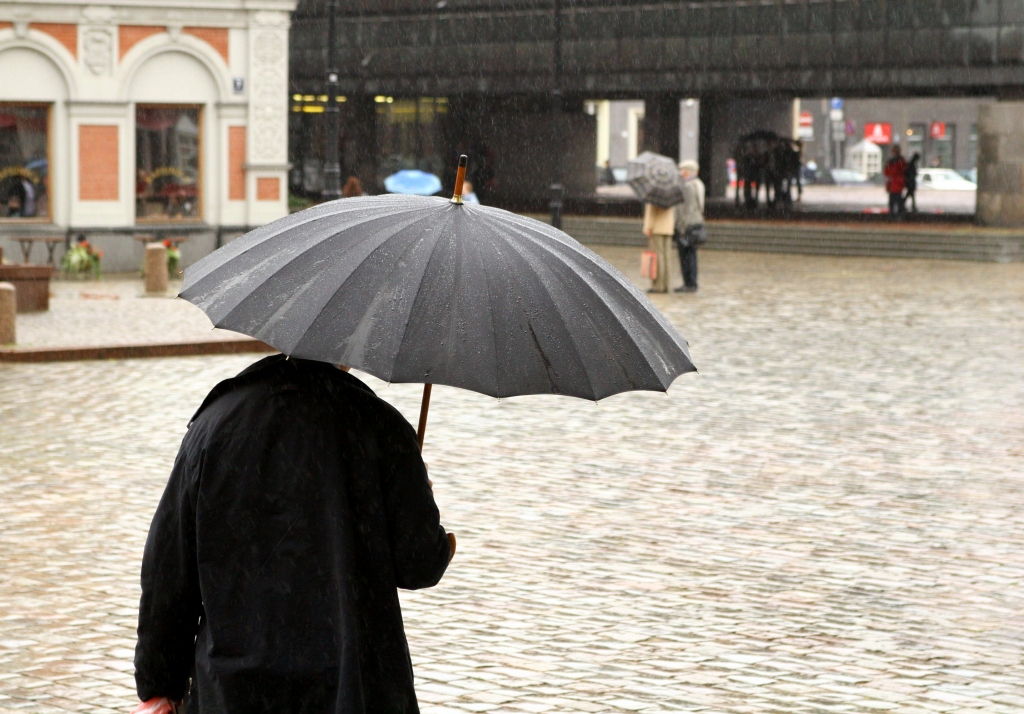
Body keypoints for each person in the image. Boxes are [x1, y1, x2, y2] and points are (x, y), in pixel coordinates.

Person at [133, 355, 455, 714]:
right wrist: (423, 505)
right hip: (352, 684)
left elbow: (169, 568)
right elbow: (418, 564)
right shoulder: (382, 426)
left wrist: (158, 685)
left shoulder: (214, 425)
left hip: (233, 687)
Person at [673, 160, 706, 294]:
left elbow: (686, 209)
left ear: (687, 171)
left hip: (688, 225)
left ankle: (689, 283)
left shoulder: (687, 186)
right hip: (697, 222)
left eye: (682, 170)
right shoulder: (698, 184)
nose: (680, 172)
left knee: (686, 256)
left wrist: (681, 227)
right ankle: (691, 282)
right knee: (692, 254)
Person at [883, 145, 908, 218]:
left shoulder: (898, 161)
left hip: (896, 184)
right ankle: (895, 215)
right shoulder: (893, 161)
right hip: (894, 184)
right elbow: (887, 171)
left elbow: (901, 170)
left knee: (896, 201)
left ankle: (896, 215)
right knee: (894, 201)